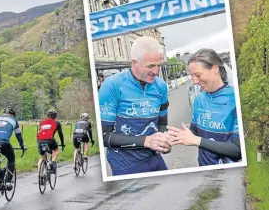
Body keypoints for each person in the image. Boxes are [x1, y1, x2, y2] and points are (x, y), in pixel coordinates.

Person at [99, 36, 173, 176]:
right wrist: (145, 141)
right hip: (125, 165)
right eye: (151, 66)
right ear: (135, 63)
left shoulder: (161, 86)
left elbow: (162, 124)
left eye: (159, 65)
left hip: (153, 158)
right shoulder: (112, 85)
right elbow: (104, 136)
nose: (156, 71)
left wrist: (164, 141)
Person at [167, 48, 242, 166]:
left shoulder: (235, 99)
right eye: (192, 76)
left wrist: (197, 140)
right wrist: (179, 136)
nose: (195, 81)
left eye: (198, 75)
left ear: (215, 69)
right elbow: (195, 131)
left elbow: (238, 151)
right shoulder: (198, 100)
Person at [0, 106, 26, 189]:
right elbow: (18, 135)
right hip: (3, 142)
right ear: (12, 115)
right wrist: (22, 146)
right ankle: (8, 182)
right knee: (11, 159)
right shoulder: (14, 120)